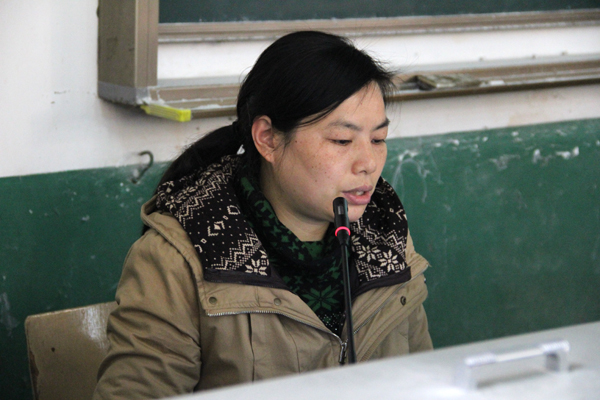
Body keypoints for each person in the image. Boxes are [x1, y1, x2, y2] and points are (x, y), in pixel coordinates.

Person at [93, 30, 432, 400]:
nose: (368, 163)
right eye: (341, 140)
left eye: (379, 139)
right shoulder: (178, 258)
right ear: (268, 138)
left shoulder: (385, 232)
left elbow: (422, 381)